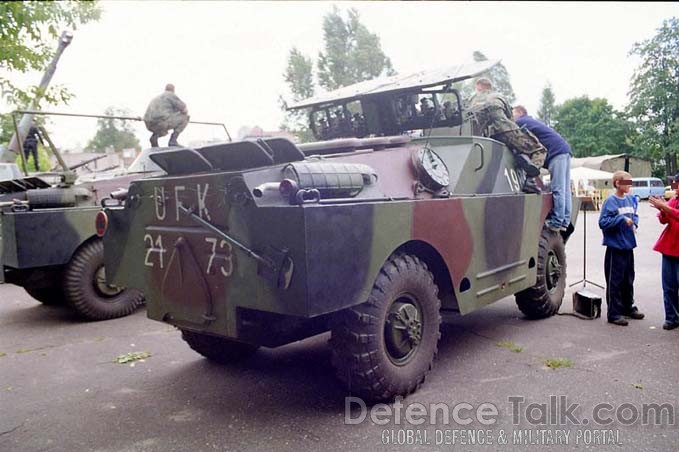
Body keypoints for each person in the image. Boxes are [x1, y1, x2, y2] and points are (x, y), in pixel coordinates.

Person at [466, 78, 546, 194]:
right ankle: (530, 181)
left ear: (478, 87)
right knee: (539, 150)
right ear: (489, 87)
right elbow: (510, 118)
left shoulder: (471, 100)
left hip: (484, 136)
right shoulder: (497, 96)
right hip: (505, 131)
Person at [513, 105, 573, 232]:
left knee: (558, 188)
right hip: (563, 151)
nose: (511, 117)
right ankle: (565, 221)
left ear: (519, 112)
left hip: (555, 153)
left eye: (513, 113)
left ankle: (557, 222)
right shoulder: (530, 121)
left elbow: (512, 134)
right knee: (565, 189)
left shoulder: (521, 121)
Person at [598, 170, 645, 326]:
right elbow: (603, 222)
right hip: (615, 248)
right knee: (615, 281)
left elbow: (634, 215)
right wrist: (620, 219)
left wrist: (635, 222)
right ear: (618, 183)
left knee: (628, 279)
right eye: (627, 182)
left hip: (628, 246)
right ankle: (614, 313)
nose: (630, 185)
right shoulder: (610, 201)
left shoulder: (630, 199)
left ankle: (627, 307)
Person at [649, 174, 679, 330]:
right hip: (669, 248)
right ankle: (671, 318)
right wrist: (662, 209)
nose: (674, 186)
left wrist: (666, 207)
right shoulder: (675, 199)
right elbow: (664, 220)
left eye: (676, 183)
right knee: (669, 286)